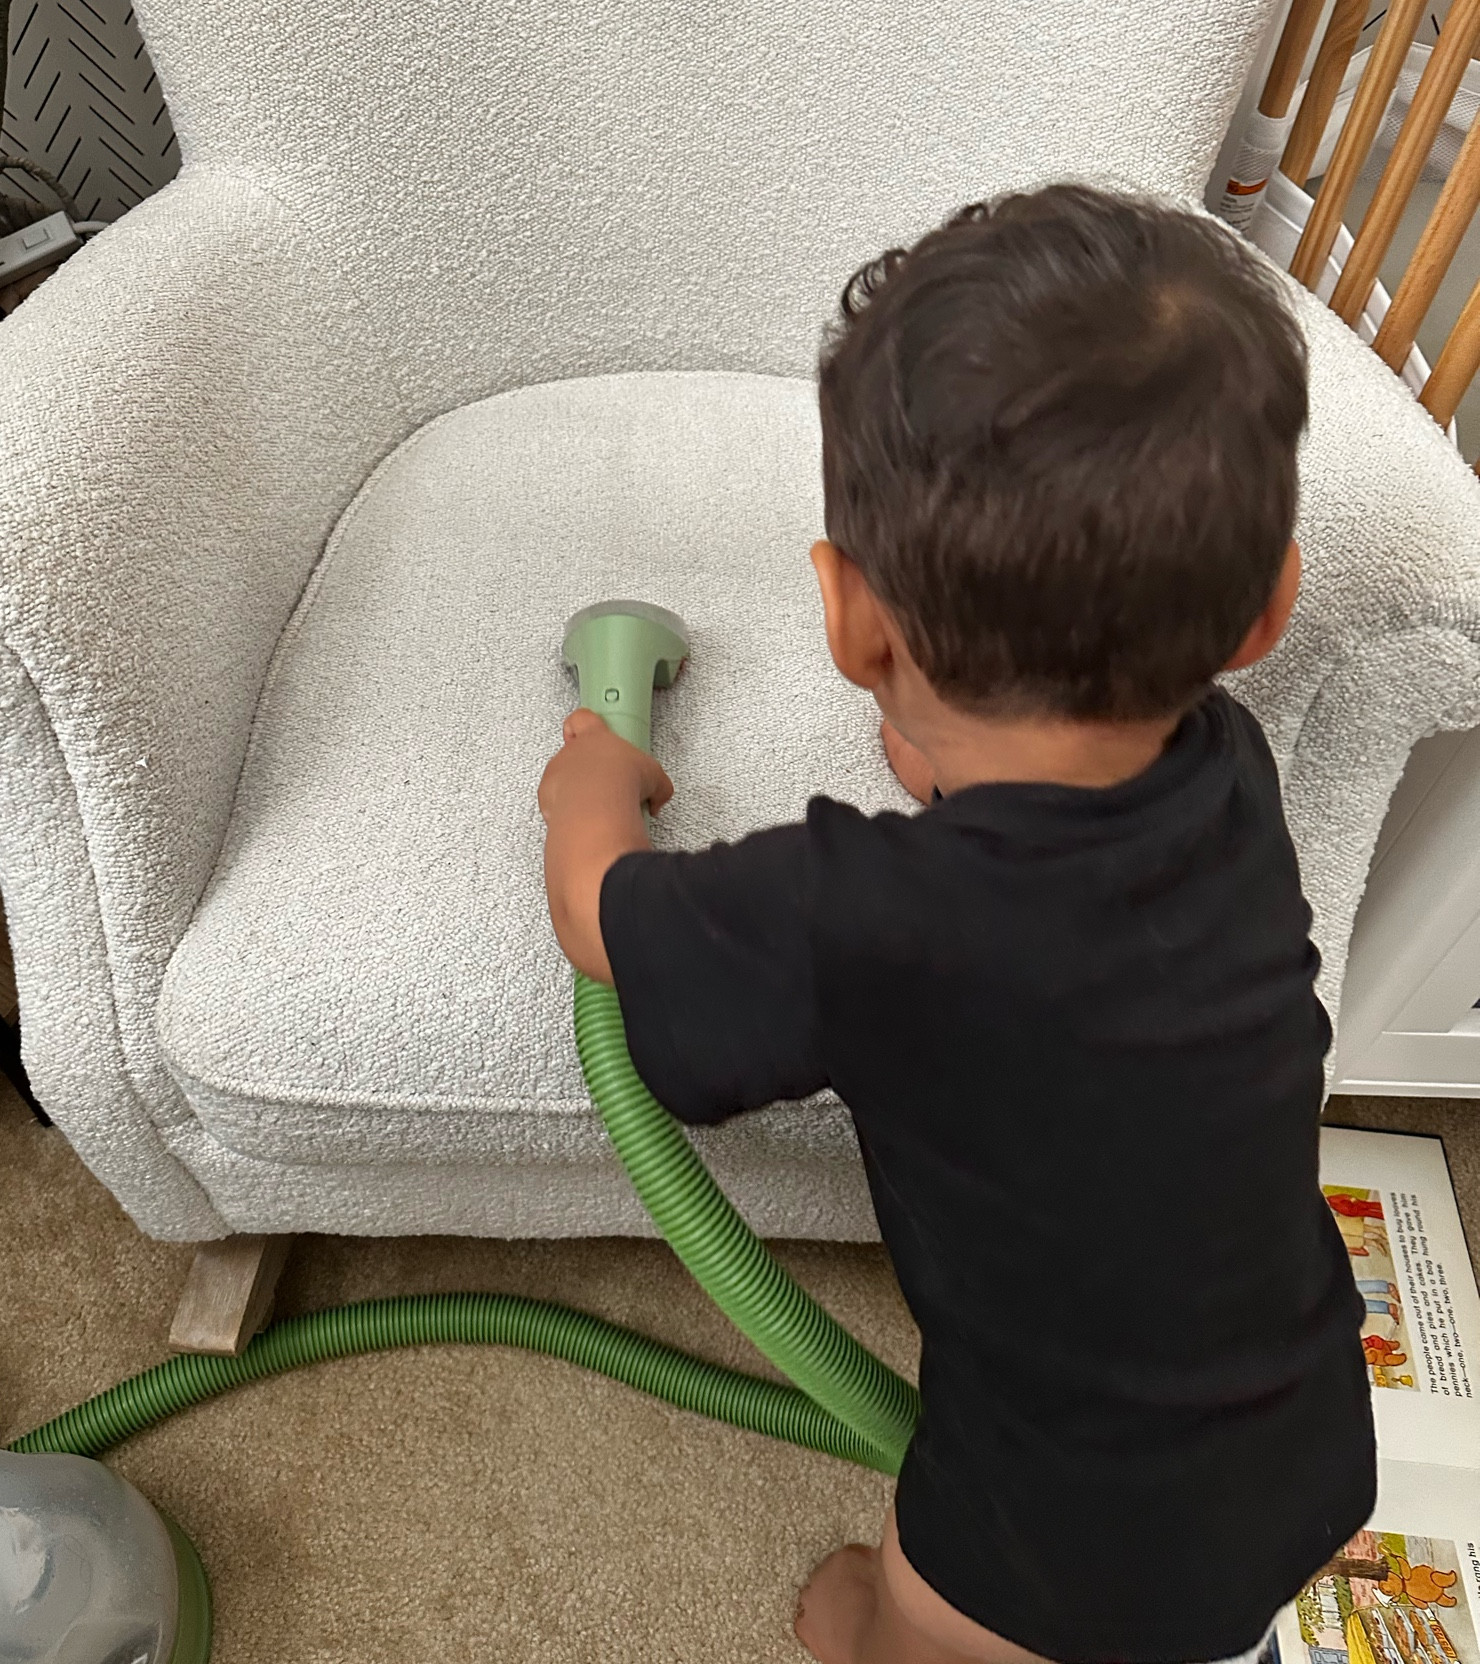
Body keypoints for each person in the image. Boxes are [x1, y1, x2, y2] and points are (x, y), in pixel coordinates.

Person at [537, 184, 1375, 1664]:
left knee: (915, 1619)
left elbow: (607, 923)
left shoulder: (861, 912)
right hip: (1300, 1437)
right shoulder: (1227, 771)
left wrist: (589, 786)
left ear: (852, 622)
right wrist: (953, 749)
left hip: (1050, 1524)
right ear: (1266, 614)